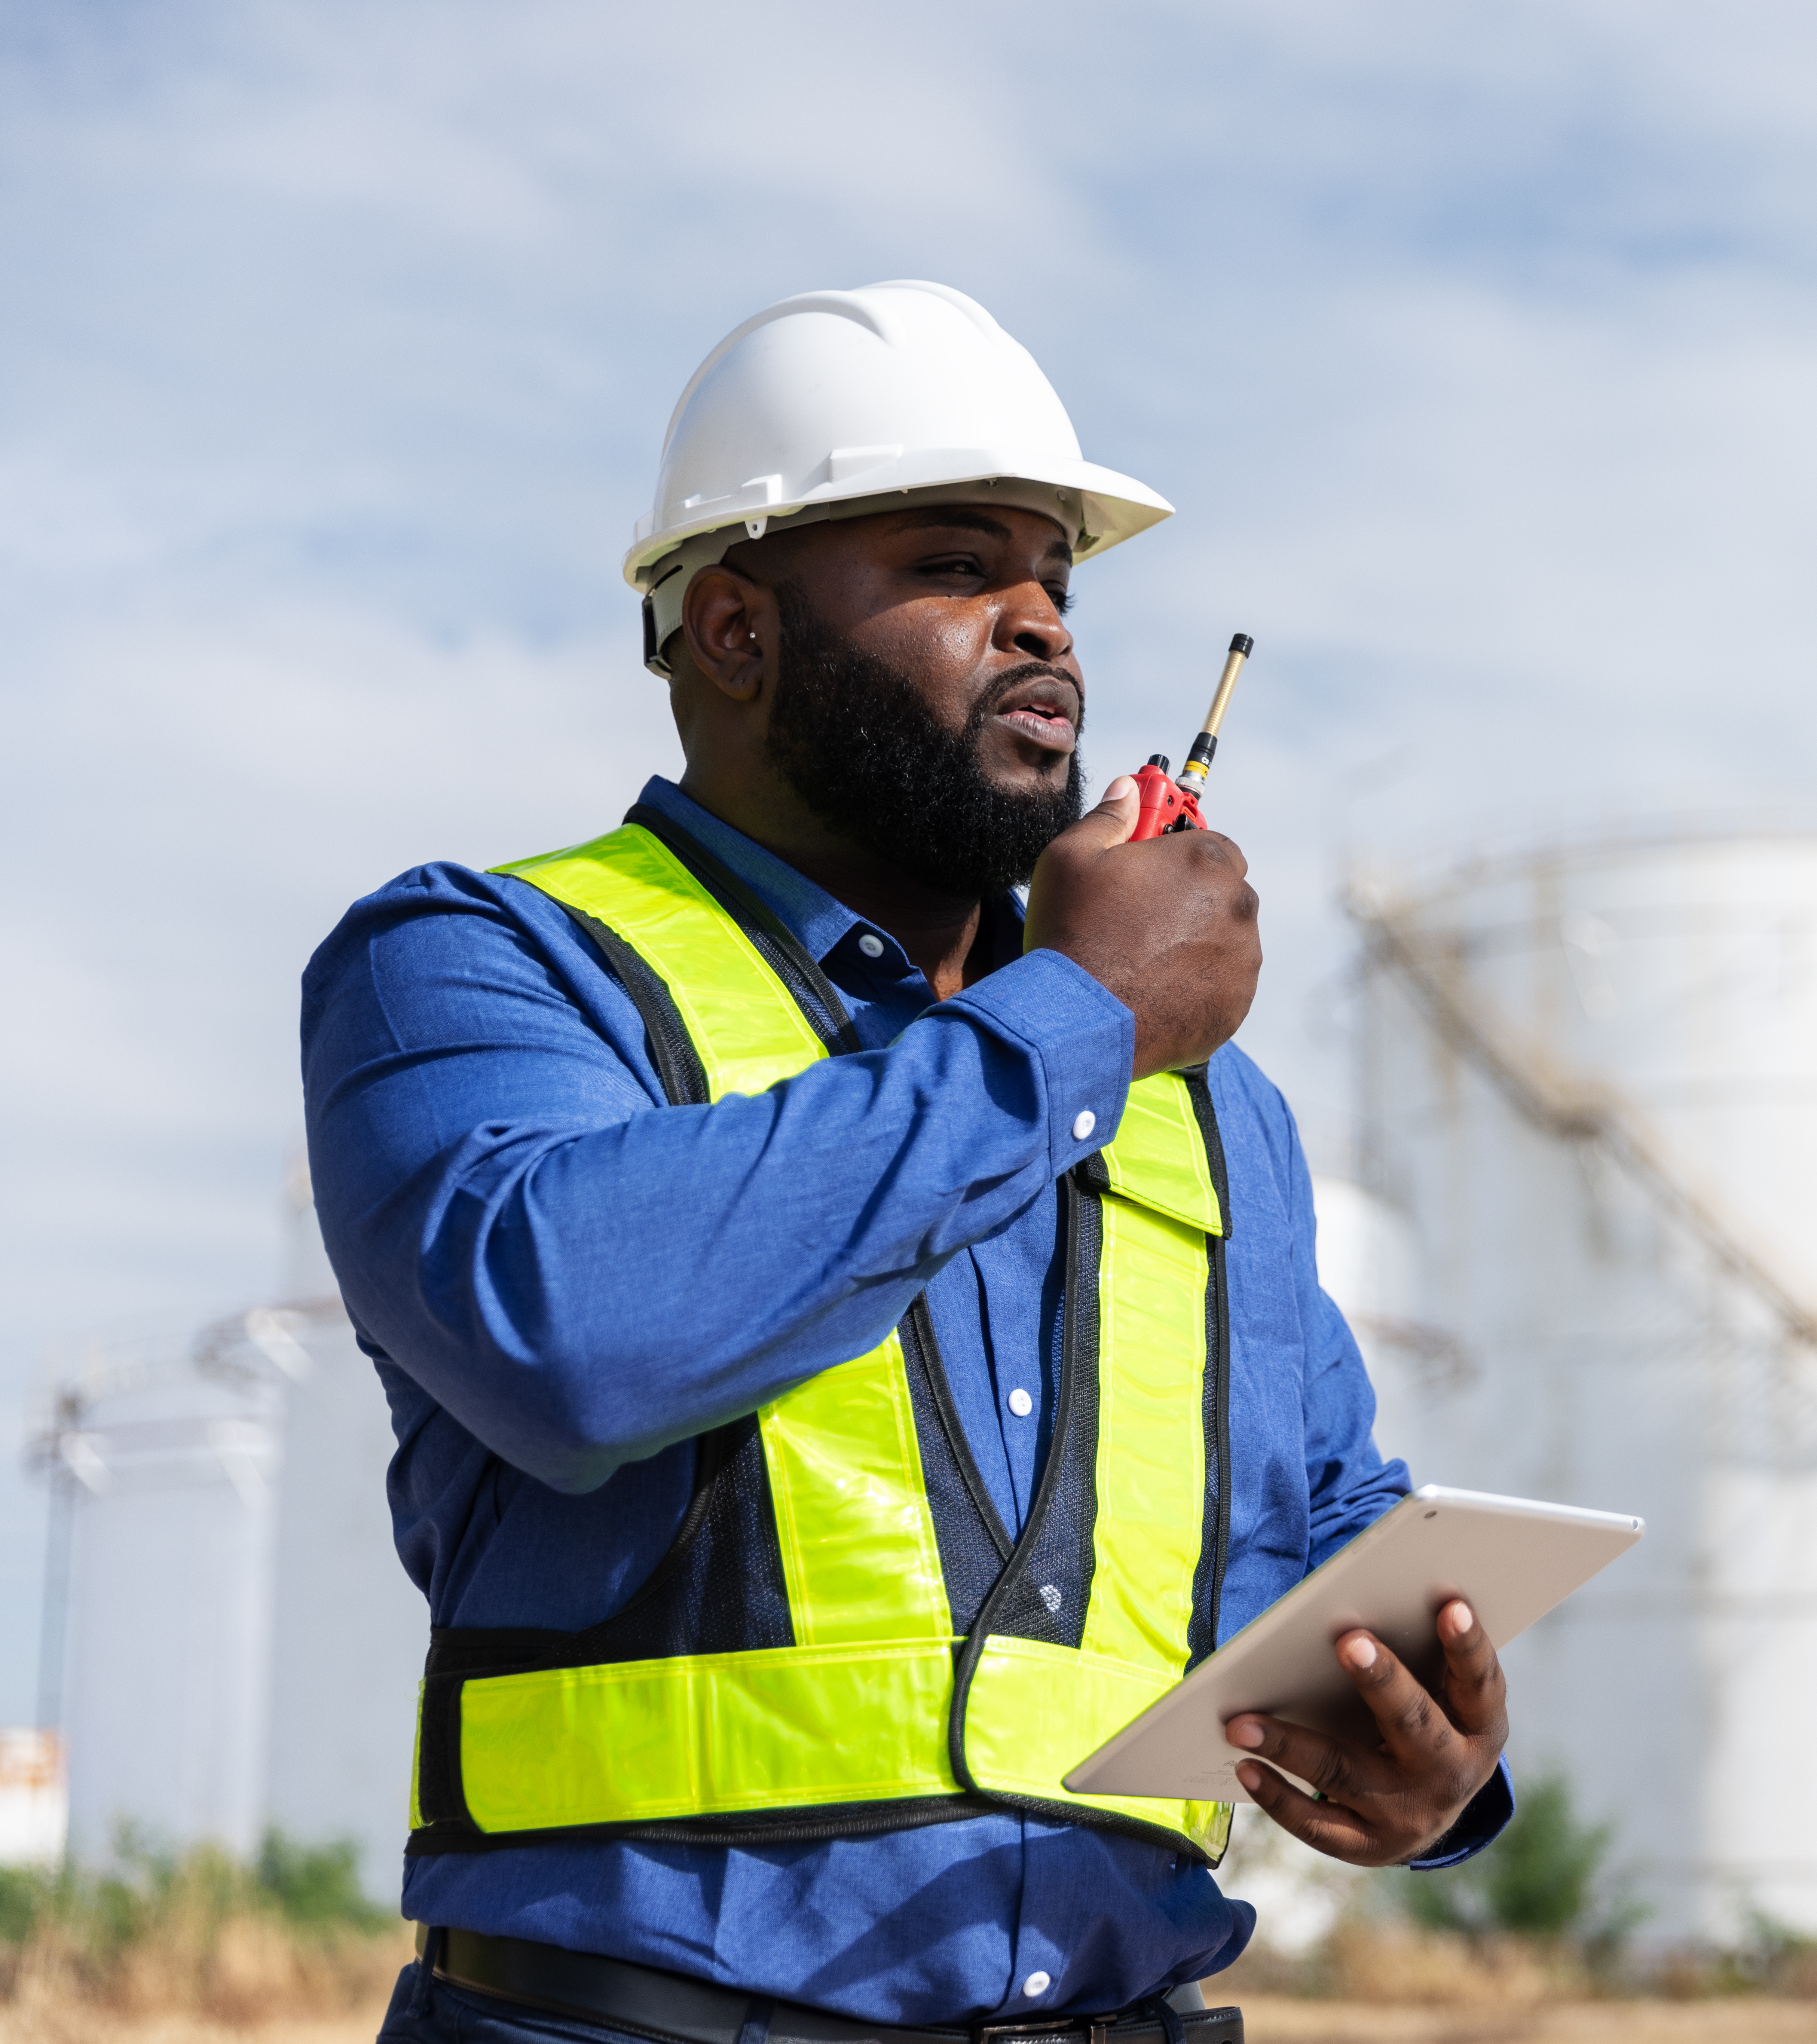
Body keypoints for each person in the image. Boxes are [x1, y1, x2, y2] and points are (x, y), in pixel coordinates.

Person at [300, 281, 1512, 2044]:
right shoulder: (482, 963)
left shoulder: (1198, 1098)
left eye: (1059, 583)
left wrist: (1428, 1754)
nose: (1042, 626)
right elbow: (567, 1331)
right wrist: (1077, 1015)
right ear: (732, 628)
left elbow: (1305, 1521)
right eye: (957, 566)